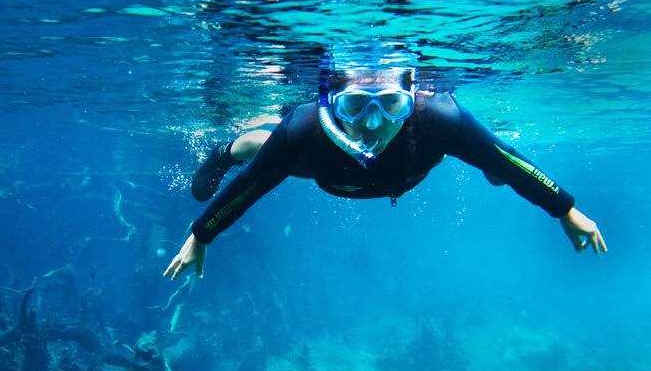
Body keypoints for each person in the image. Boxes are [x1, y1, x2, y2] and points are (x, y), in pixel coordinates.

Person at [164, 67, 607, 281]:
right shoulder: (308, 129)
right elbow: (250, 186)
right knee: (270, 150)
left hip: (410, 169)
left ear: (411, 95)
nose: (373, 124)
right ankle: (227, 148)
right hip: (328, 172)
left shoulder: (440, 118)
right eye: (356, 106)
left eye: (391, 104)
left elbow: (508, 158)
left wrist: (565, 209)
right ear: (331, 103)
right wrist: (202, 233)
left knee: (491, 159)